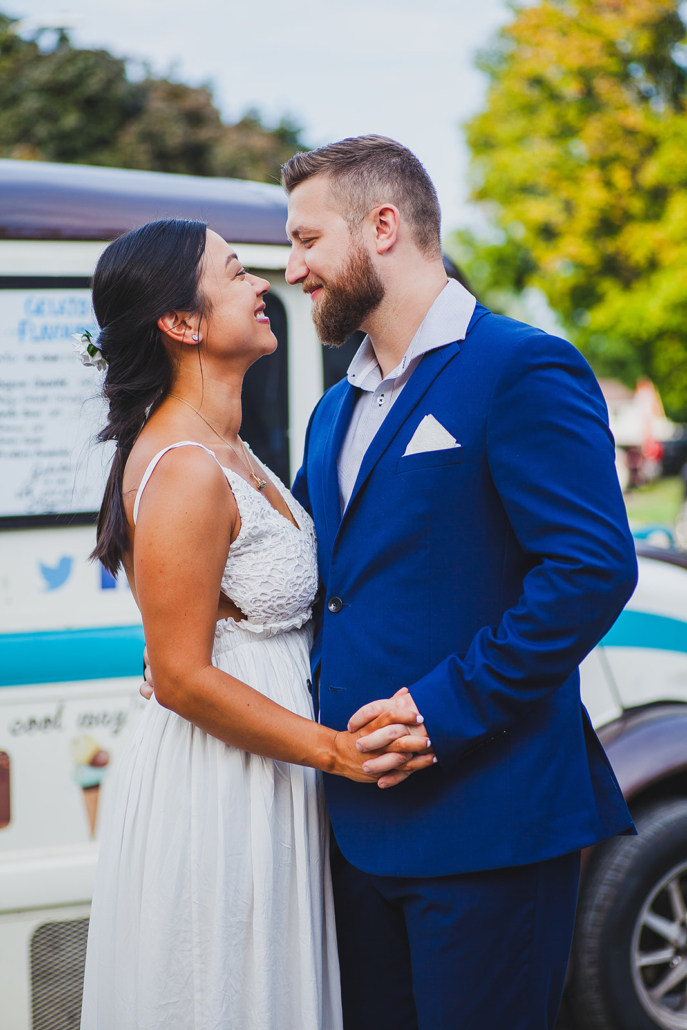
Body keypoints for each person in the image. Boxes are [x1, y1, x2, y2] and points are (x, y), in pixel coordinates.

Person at [279, 135, 639, 1030]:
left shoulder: (520, 366)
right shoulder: (335, 407)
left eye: (307, 240)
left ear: (383, 227)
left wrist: (444, 708)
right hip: (355, 834)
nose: (293, 271)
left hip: (490, 825)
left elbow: (590, 568)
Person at [79, 218, 434, 1030]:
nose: (261, 285)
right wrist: (336, 753)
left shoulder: (234, 449)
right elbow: (177, 675)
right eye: (236, 272)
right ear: (183, 323)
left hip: (269, 769)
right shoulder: (185, 469)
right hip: (221, 783)